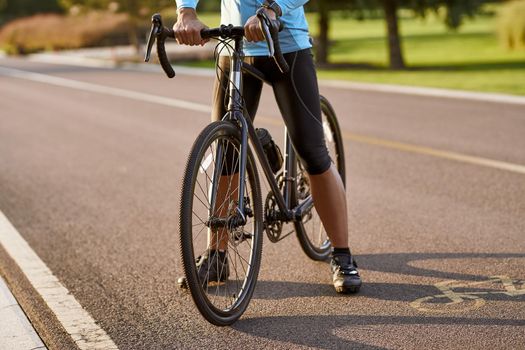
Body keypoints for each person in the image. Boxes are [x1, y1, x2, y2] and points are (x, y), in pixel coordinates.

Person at [174, 0, 361, 294]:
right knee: (226, 152)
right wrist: (186, 12)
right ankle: (217, 254)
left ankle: (342, 254)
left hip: (286, 46)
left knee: (312, 152)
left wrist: (273, 8)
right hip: (233, 45)